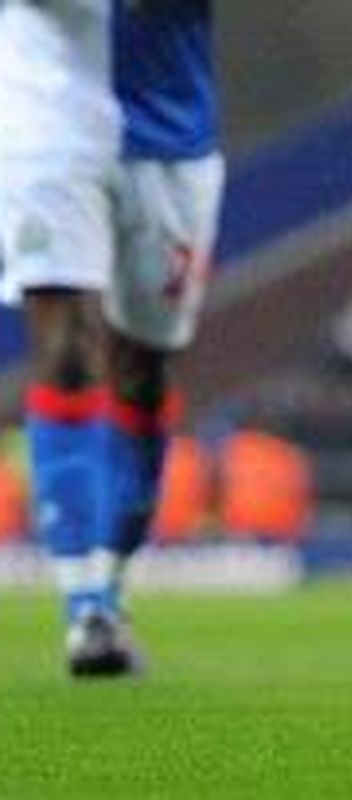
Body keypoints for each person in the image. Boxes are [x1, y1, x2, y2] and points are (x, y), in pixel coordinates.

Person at [0, 0, 223, 676]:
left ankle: (112, 580)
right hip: (49, 126)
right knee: (66, 354)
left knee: (143, 373)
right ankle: (84, 602)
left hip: (172, 143)